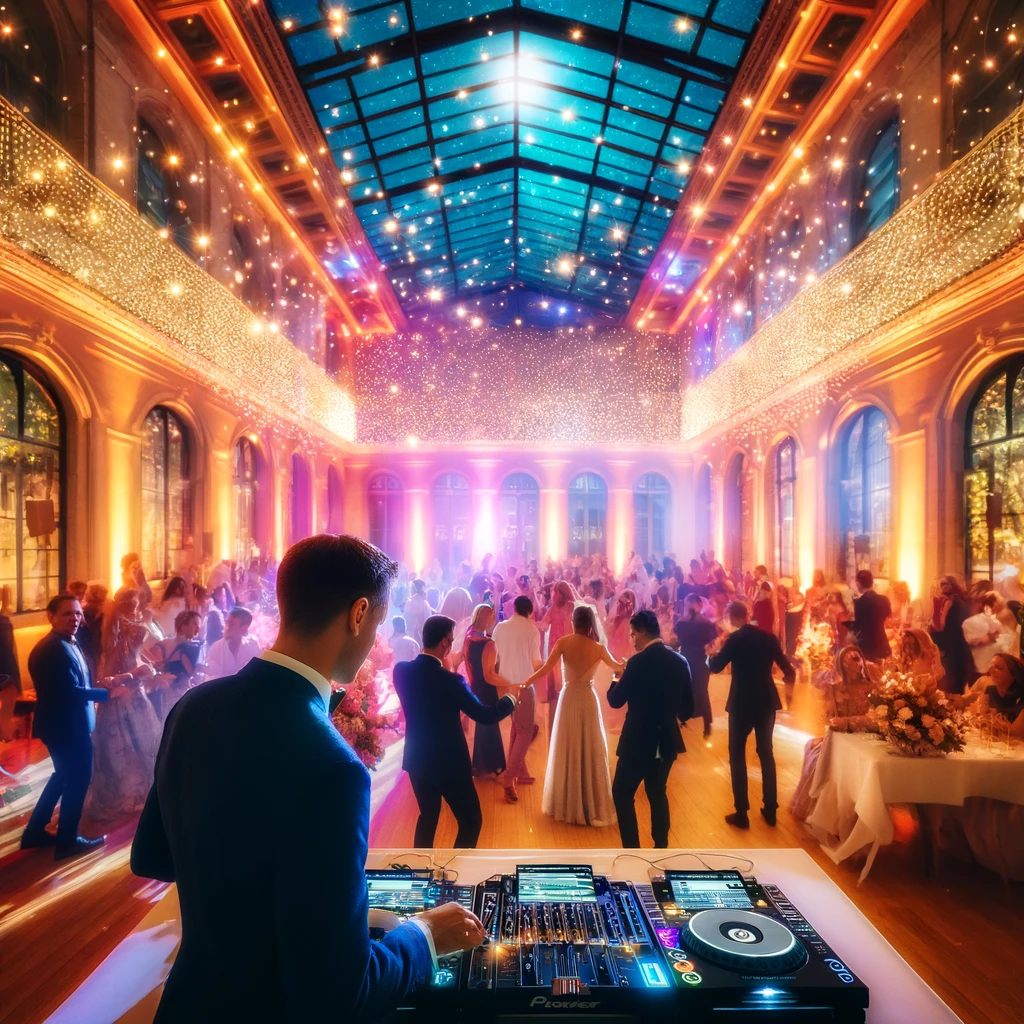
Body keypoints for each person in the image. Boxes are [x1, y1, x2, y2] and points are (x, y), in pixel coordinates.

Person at [132, 534, 485, 1022]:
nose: (375, 642)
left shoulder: (193, 708)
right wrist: (423, 935)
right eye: (377, 623)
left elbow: (152, 856)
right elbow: (338, 997)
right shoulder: (333, 768)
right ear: (358, 614)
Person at [394, 615, 516, 846]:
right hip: (450, 764)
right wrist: (510, 699)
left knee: (427, 817)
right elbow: (485, 715)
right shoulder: (453, 682)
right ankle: (454, 877)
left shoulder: (401, 671)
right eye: (450, 640)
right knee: (471, 821)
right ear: (443, 644)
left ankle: (421, 875)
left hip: (417, 760)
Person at [20, 595, 109, 859]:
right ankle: (67, 842)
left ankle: (35, 831)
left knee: (62, 776)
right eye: (67, 614)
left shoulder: (66, 643)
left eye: (78, 614)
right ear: (51, 617)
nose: (75, 619)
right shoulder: (51, 649)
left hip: (66, 724)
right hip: (65, 726)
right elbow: (68, 692)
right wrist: (106, 693)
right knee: (78, 779)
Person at [524, 604, 623, 827]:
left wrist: (528, 681)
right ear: (591, 624)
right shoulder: (598, 648)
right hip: (588, 699)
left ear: (573, 622)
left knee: (567, 746)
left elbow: (546, 668)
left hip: (569, 699)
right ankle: (589, 802)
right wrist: (626, 667)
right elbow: (618, 668)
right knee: (589, 746)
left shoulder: (563, 642)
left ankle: (567, 801)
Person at [608, 609, 693, 848]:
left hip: (637, 740)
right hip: (665, 738)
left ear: (644, 631)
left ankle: (632, 849)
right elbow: (688, 708)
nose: (632, 639)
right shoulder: (680, 661)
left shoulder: (636, 662)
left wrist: (617, 677)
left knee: (623, 794)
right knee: (657, 792)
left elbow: (615, 700)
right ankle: (660, 847)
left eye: (633, 633)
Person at [708, 601, 795, 829]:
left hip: (741, 703)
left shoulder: (735, 640)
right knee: (766, 753)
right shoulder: (768, 638)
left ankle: (742, 812)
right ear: (746, 615)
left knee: (737, 755)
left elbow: (716, 666)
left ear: (733, 617)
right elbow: (789, 670)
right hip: (766, 701)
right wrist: (790, 697)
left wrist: (710, 654)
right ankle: (770, 809)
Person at [789, 646, 879, 822]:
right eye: (851, 659)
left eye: (858, 658)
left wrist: (848, 722)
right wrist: (841, 724)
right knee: (816, 755)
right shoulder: (834, 688)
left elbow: (876, 719)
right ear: (842, 664)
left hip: (868, 737)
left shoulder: (872, 686)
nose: (857, 662)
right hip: (840, 736)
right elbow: (831, 720)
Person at [492, 595, 543, 802]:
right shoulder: (531, 630)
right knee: (526, 730)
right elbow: (537, 663)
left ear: (514, 608)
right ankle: (509, 777)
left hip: (504, 684)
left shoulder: (500, 628)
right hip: (523, 685)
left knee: (517, 728)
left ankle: (517, 771)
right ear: (530, 612)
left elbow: (494, 658)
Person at [462, 604, 512, 776]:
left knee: (485, 726)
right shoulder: (488, 644)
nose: (494, 617)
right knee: (490, 724)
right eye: (492, 615)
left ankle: (482, 764)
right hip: (486, 688)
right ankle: (493, 765)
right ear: (486, 618)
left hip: (474, 685)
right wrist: (510, 683)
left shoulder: (469, 635)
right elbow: (489, 675)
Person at [673, 592, 718, 738]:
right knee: (702, 691)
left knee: (682, 689)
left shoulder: (680, 623)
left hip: (685, 658)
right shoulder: (707, 623)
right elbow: (712, 643)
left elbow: (676, 641)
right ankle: (707, 724)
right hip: (700, 659)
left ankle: (680, 718)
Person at [930, 575, 972, 693]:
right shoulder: (954, 600)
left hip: (954, 646)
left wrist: (936, 603)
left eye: (945, 584)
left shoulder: (953, 602)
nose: (943, 587)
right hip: (956, 645)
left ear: (952, 585)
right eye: (941, 584)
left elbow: (939, 625)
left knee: (951, 682)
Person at [844, 570, 891, 662]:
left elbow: (857, 627)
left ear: (858, 583)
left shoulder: (858, 603)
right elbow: (888, 620)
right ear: (872, 582)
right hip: (883, 645)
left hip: (867, 649)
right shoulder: (885, 600)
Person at [204, 607, 262, 680]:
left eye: (232, 624)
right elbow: (211, 679)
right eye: (227, 623)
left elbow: (257, 673)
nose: (227, 628)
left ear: (244, 627)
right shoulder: (216, 647)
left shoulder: (253, 646)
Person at [403, 579, 433, 647]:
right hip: (423, 636)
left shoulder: (410, 602)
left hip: (412, 636)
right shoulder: (425, 603)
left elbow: (406, 621)